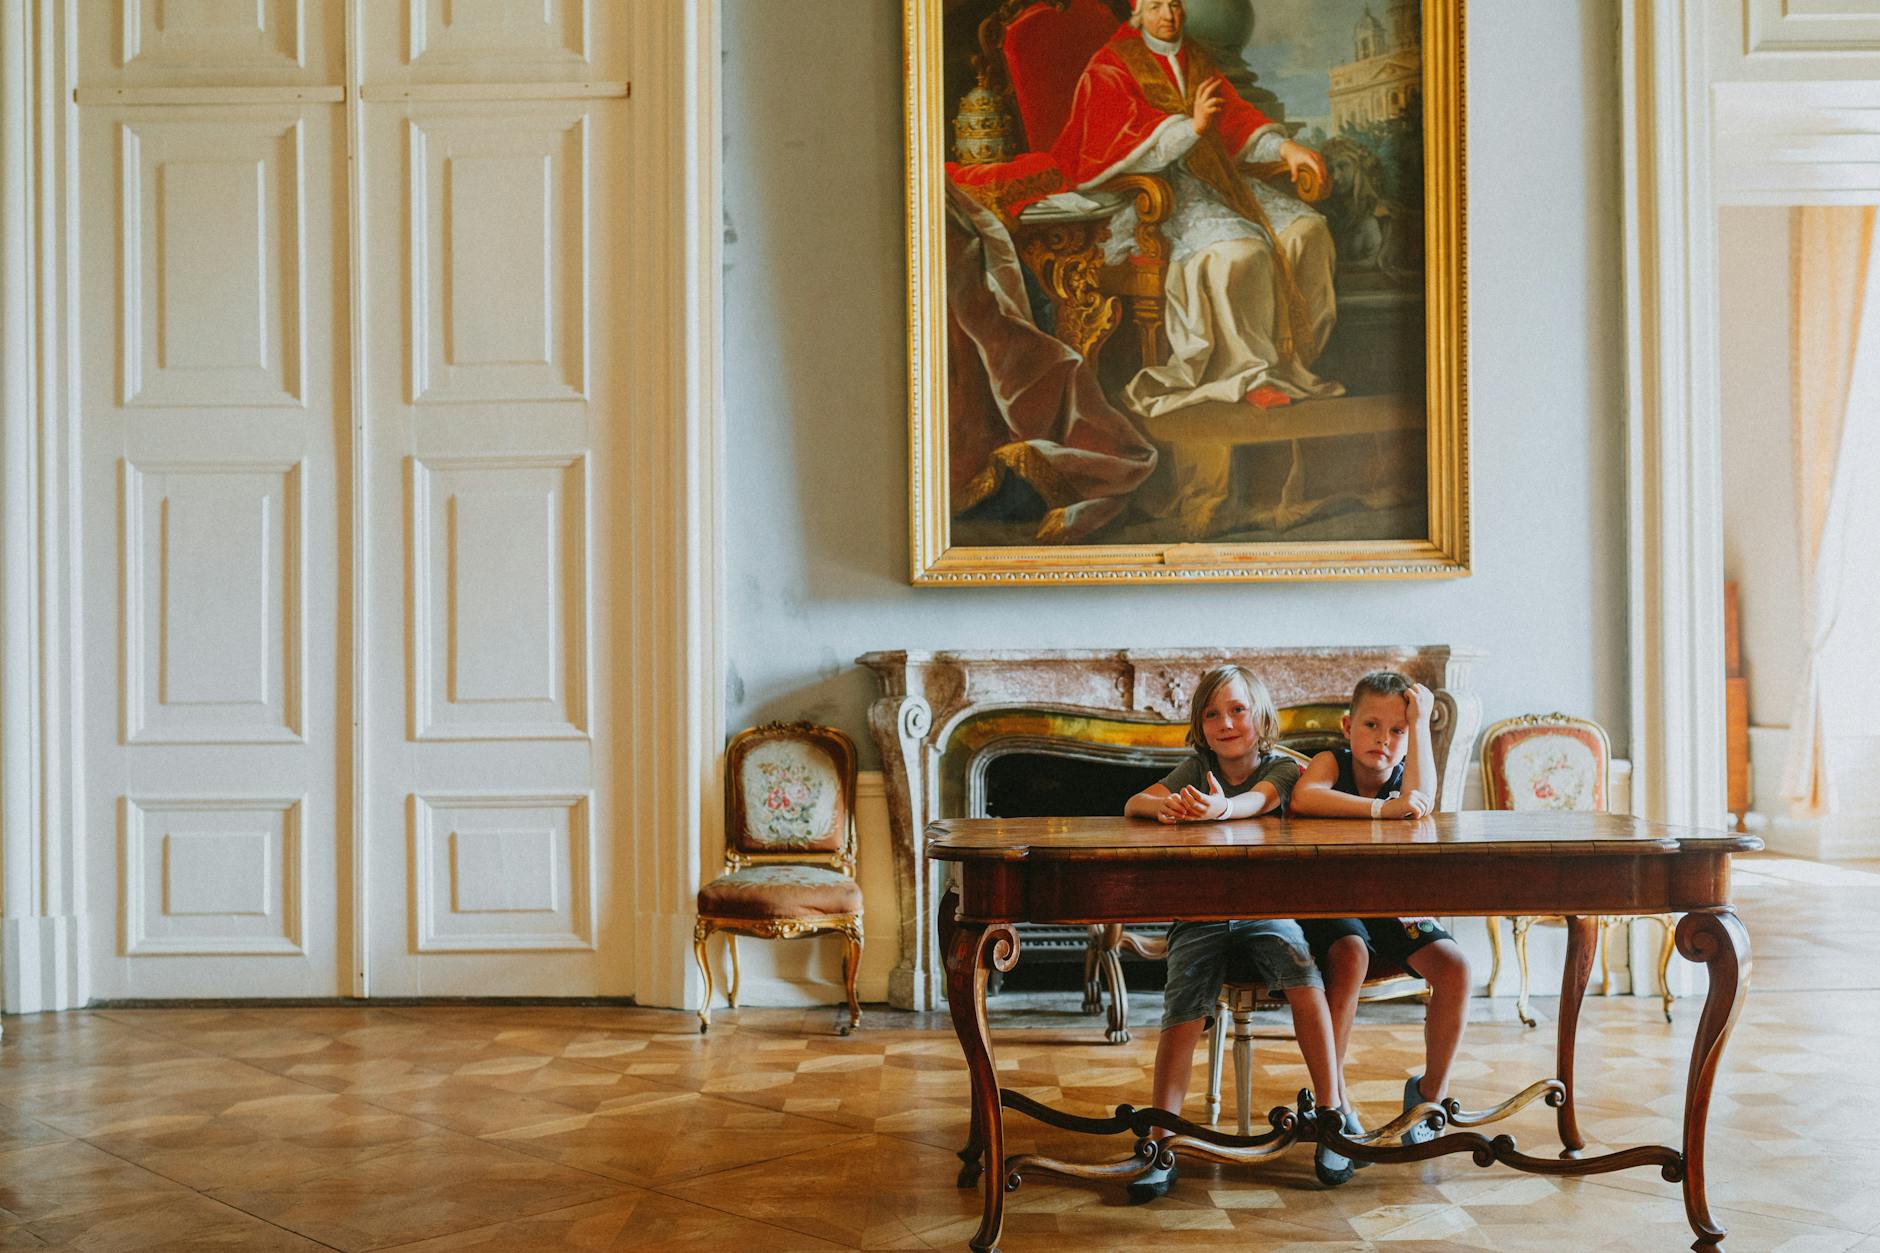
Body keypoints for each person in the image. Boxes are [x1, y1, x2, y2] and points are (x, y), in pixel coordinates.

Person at [1121, 665, 1362, 1197]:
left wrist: (1217, 808)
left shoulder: (1280, 769)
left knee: (1304, 977)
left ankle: (1330, 1114)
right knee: (1181, 1010)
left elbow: (1255, 804)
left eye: (1237, 710)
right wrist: (1171, 806)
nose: (1225, 723)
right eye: (1212, 714)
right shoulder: (1196, 766)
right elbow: (1133, 803)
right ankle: (1161, 1142)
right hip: (1200, 914)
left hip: (1266, 909)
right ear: (1199, 724)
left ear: (1260, 716)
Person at [1051, 0, 1343, 419]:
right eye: (1156, 5)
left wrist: (1286, 147)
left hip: (1219, 179)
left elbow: (1236, 121)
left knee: (1307, 230)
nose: (1169, 14)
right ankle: (1245, 375)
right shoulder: (1111, 65)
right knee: (1241, 253)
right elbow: (1112, 145)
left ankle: (1290, 362)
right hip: (1159, 193)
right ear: (1137, 13)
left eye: (1175, 3)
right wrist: (1192, 128)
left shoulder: (1196, 57)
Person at [1290, 671, 1474, 1148]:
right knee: (1351, 955)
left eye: (1398, 730)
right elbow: (1304, 797)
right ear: (1348, 726)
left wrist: (1421, 728)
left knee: (1455, 968)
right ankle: (1333, 1102)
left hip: (1390, 904)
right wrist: (1378, 812)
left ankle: (1429, 1095)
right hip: (1330, 900)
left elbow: (1422, 801)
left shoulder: (1403, 774)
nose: (1383, 740)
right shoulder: (1332, 763)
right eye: (1372, 725)